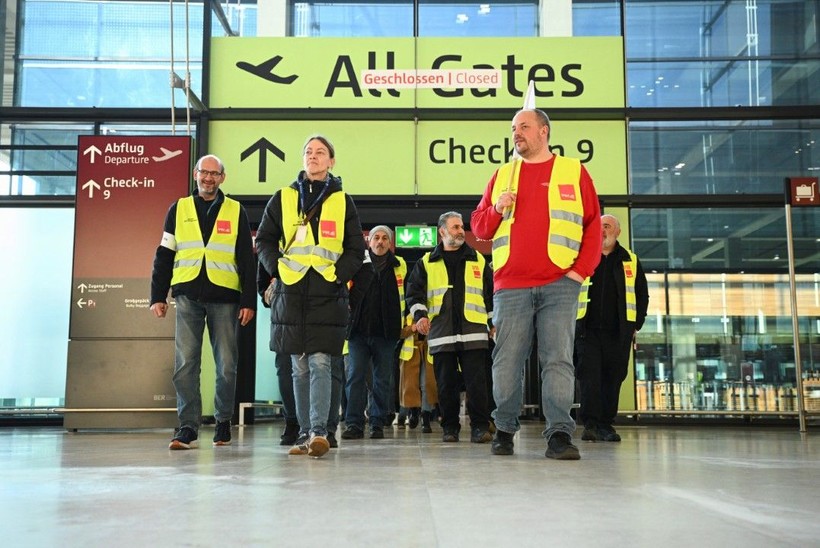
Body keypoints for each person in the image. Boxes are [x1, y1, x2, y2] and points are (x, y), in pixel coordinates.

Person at [471, 108, 602, 460]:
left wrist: (579, 271)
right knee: (507, 361)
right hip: (510, 285)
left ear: (543, 131)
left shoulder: (573, 171)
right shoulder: (502, 176)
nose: (517, 133)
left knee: (558, 359)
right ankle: (505, 428)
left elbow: (592, 224)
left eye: (524, 127)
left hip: (561, 283)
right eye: (514, 128)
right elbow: (481, 229)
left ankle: (559, 434)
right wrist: (497, 208)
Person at [255, 135, 364, 458]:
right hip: (292, 292)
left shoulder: (343, 201)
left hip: (326, 293)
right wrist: (278, 267)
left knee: (319, 363)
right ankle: (305, 432)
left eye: (320, 153)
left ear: (331, 161)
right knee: (298, 367)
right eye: (308, 152)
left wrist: (336, 275)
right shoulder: (283, 198)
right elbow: (264, 239)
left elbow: (356, 249)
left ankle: (319, 430)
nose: (313, 157)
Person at [150, 154, 256, 450]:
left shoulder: (235, 210)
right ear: (196, 175)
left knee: (226, 365)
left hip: (225, 297)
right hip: (187, 296)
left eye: (215, 173)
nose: (208, 178)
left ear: (223, 177)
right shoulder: (178, 209)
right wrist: (158, 295)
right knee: (185, 364)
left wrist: (248, 301)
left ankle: (223, 421)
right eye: (204, 172)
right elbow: (164, 254)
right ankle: (187, 426)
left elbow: (247, 259)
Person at [406, 211, 494, 443]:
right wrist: (421, 317)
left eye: (461, 227)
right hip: (441, 332)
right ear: (442, 231)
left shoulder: (478, 259)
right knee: (445, 384)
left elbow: (490, 295)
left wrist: (494, 323)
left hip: (474, 331)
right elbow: (414, 294)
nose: (460, 231)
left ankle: (480, 427)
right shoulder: (426, 262)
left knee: (477, 384)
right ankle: (450, 428)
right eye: (455, 227)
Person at [575, 214, 648, 442]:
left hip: (618, 333)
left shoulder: (630, 261)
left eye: (606, 226)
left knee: (613, 377)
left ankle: (606, 424)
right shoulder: (584, 256)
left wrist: (636, 324)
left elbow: (641, 294)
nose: (602, 231)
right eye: (598, 227)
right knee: (589, 378)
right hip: (587, 330)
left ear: (617, 232)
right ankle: (590, 424)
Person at [258, 264, 344, 448]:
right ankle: (300, 428)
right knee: (296, 371)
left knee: (323, 366)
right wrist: (275, 291)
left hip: (323, 308)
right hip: (289, 313)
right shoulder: (281, 243)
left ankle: (322, 429)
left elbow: (352, 260)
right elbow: (264, 274)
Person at [342, 226, 406, 440]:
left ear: (390, 244)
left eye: (385, 238)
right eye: (376, 238)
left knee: (382, 380)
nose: (380, 242)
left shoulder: (399, 266)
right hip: (358, 332)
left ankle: (377, 423)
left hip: (386, 333)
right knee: (355, 378)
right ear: (369, 242)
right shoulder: (357, 264)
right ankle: (354, 424)